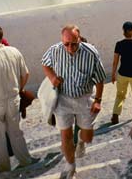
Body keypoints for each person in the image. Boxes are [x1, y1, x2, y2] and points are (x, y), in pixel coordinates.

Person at [42, 24, 106, 179]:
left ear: (79, 39)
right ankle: (71, 167)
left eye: (74, 43)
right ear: (61, 40)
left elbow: (100, 79)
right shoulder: (55, 50)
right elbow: (45, 63)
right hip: (63, 99)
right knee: (66, 136)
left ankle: (82, 142)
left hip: (84, 99)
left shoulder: (91, 53)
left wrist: (97, 100)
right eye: (66, 44)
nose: (70, 48)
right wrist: (52, 77)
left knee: (88, 137)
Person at [0, 25, 34, 173]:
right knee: (16, 132)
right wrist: (19, 88)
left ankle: (4, 170)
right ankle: (25, 160)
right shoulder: (14, 51)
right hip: (14, 98)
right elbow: (26, 74)